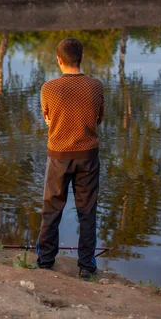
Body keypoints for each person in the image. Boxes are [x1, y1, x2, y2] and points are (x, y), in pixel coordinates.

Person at [37, 38, 104, 279]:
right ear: (81, 58)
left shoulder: (49, 88)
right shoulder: (96, 86)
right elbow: (98, 119)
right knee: (87, 211)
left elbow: (47, 118)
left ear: (59, 60)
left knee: (52, 209)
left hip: (58, 155)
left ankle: (45, 261)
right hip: (88, 155)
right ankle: (86, 266)